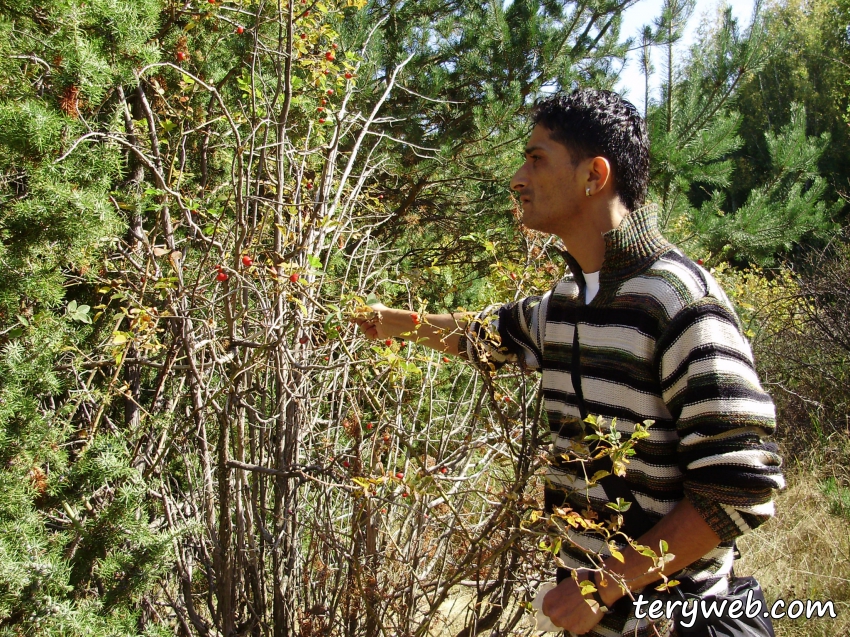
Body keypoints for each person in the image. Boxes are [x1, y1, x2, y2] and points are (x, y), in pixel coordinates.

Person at [354, 88, 784, 636]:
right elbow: (488, 333)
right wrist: (392, 322)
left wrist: (602, 585)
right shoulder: (567, 301)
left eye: (537, 159)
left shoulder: (677, 302)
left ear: (593, 175)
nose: (517, 178)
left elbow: (740, 484)